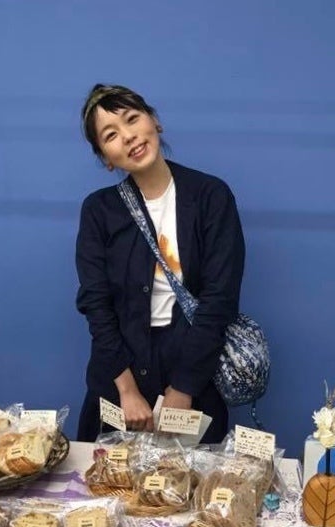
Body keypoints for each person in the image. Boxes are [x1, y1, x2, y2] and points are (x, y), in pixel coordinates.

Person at [75, 83, 245, 443]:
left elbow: (220, 299)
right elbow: (95, 303)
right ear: (106, 158)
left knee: (191, 478)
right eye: (110, 135)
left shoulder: (210, 196)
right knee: (108, 476)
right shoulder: (98, 211)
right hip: (117, 377)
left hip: (194, 372)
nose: (128, 136)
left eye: (132, 119)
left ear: (154, 120)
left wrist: (183, 388)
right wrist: (126, 389)